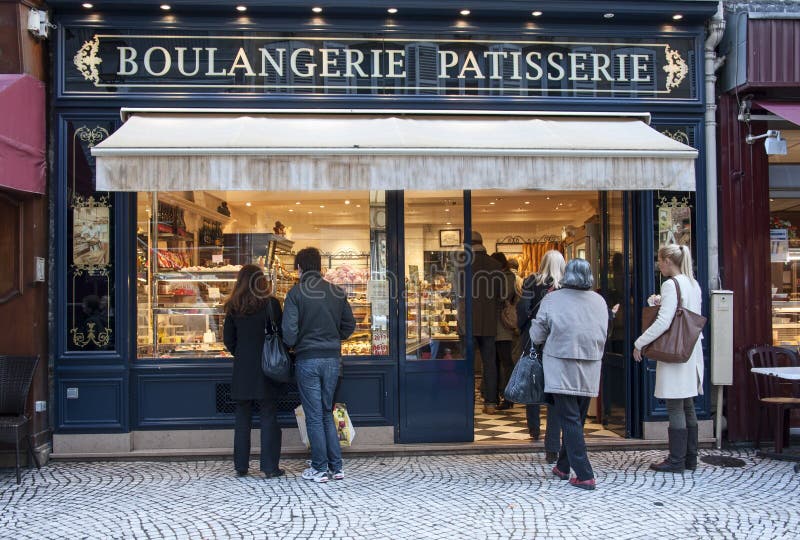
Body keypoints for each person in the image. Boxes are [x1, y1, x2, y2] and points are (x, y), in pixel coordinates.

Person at [530, 258, 609, 490]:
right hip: (591, 365)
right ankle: (563, 467)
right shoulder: (599, 301)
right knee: (577, 419)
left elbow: (537, 334)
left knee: (570, 419)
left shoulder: (553, 299)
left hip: (561, 365)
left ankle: (585, 474)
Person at [282, 247, 355, 483]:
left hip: (307, 360)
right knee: (326, 412)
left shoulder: (295, 294)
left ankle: (320, 468)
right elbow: (349, 326)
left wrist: (297, 343)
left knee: (314, 415)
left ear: (300, 268)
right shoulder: (336, 292)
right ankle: (337, 466)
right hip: (333, 360)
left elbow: (289, 334)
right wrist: (333, 338)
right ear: (320, 266)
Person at [633, 244, 703, 473]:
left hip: (674, 351)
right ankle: (690, 458)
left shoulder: (671, 284)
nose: (658, 265)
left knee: (675, 405)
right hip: (691, 350)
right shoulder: (693, 284)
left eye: (659, 261)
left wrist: (640, 343)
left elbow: (664, 322)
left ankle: (676, 460)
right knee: (688, 404)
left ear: (668, 261)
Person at [222, 264, 284, 478]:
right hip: (268, 369)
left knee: (242, 419)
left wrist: (241, 355)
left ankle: (241, 465)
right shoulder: (272, 305)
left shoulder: (233, 307)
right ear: (262, 282)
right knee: (268, 417)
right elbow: (281, 335)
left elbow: (228, 341)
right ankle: (269, 467)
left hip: (242, 370)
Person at [517, 250, 565, 462]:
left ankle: (534, 429)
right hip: (558, 344)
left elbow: (522, 309)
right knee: (555, 392)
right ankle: (552, 444)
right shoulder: (567, 285)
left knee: (533, 382)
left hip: (535, 339)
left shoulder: (531, 282)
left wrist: (523, 330)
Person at [461, 231, 505, 414]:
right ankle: (490, 403)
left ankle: (467, 401)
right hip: (489, 322)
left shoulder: (462, 265)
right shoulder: (495, 265)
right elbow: (501, 296)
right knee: (490, 363)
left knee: (467, 363)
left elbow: (457, 294)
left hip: (468, 323)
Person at [490, 252, 517, 411]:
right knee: (497, 362)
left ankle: (508, 397)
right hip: (496, 328)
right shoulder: (501, 276)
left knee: (506, 363)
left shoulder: (507, 277)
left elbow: (504, 295)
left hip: (503, 328)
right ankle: (498, 395)